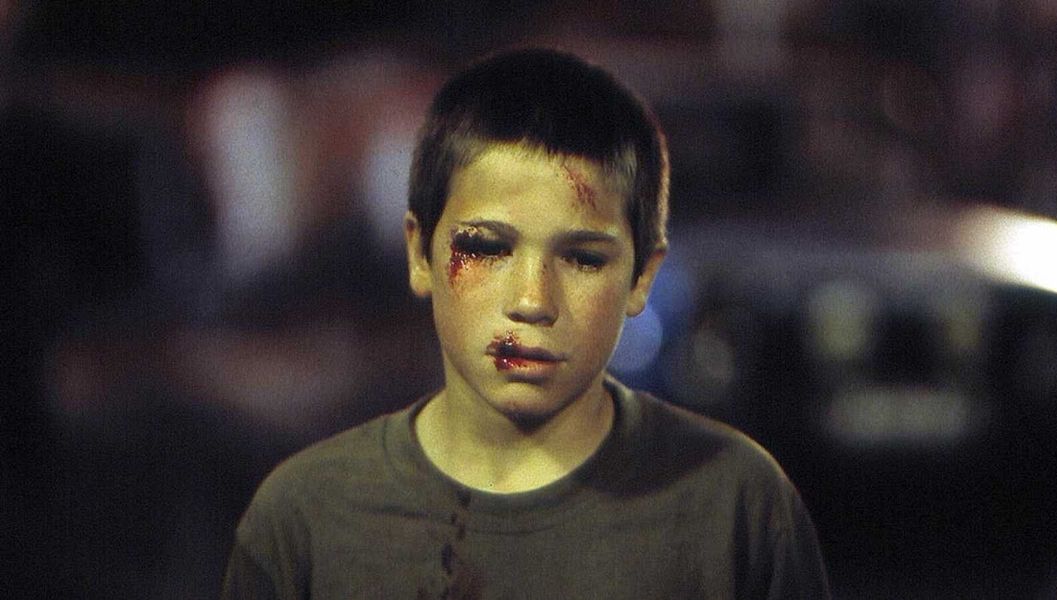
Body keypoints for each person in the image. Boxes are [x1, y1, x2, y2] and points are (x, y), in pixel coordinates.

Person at [221, 48, 830, 599]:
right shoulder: (302, 516)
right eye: (487, 249)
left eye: (582, 258)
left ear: (642, 275)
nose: (531, 301)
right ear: (419, 254)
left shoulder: (739, 505)